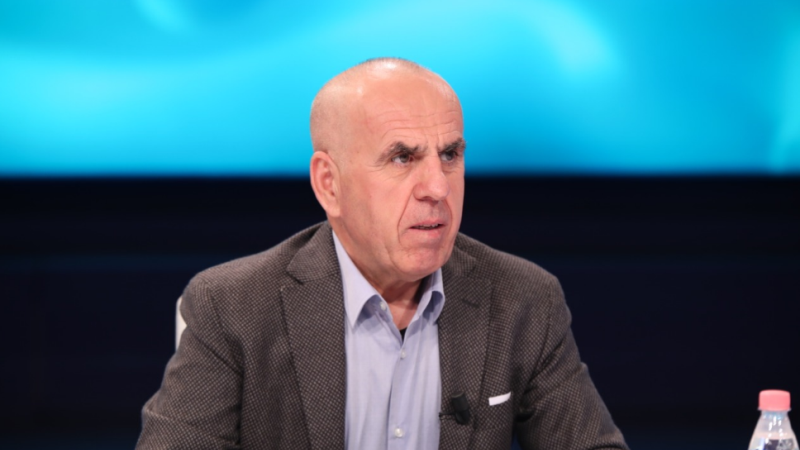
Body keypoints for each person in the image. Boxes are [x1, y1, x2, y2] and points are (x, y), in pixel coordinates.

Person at [137, 58, 628, 450]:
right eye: (402, 157)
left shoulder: (523, 300)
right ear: (330, 184)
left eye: (450, 155)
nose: (437, 187)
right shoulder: (234, 306)